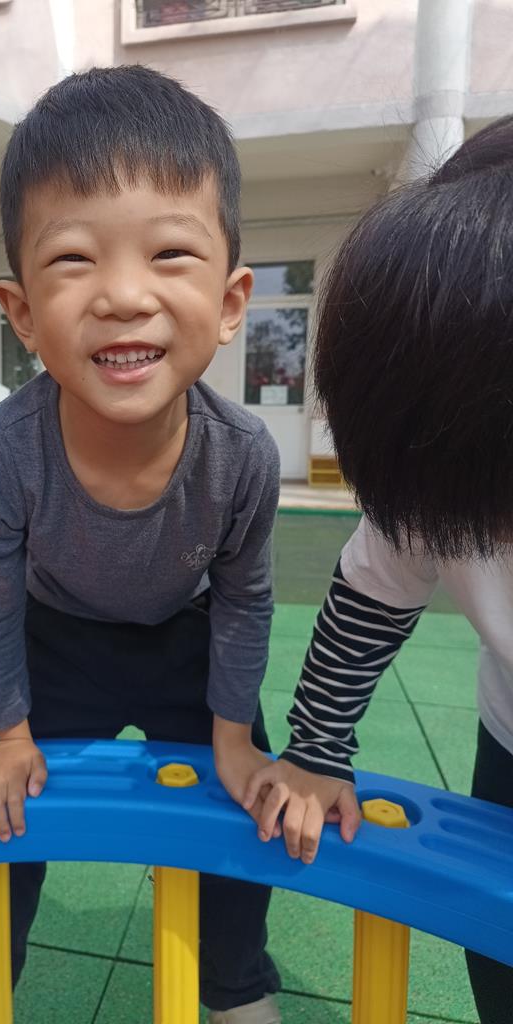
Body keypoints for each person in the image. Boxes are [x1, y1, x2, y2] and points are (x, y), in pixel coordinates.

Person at [0, 65, 283, 1024]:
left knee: (240, 804)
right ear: (22, 312)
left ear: (231, 301)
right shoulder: (8, 447)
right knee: (0, 814)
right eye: (75, 258)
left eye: (170, 253)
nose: (123, 295)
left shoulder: (242, 454)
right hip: (58, 644)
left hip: (183, 643)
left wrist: (233, 737)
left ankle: (235, 987)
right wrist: (6, 737)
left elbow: (245, 599)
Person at [244, 116, 513, 1024]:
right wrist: (317, 748)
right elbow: (371, 592)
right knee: (499, 944)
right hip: (512, 734)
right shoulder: (440, 455)